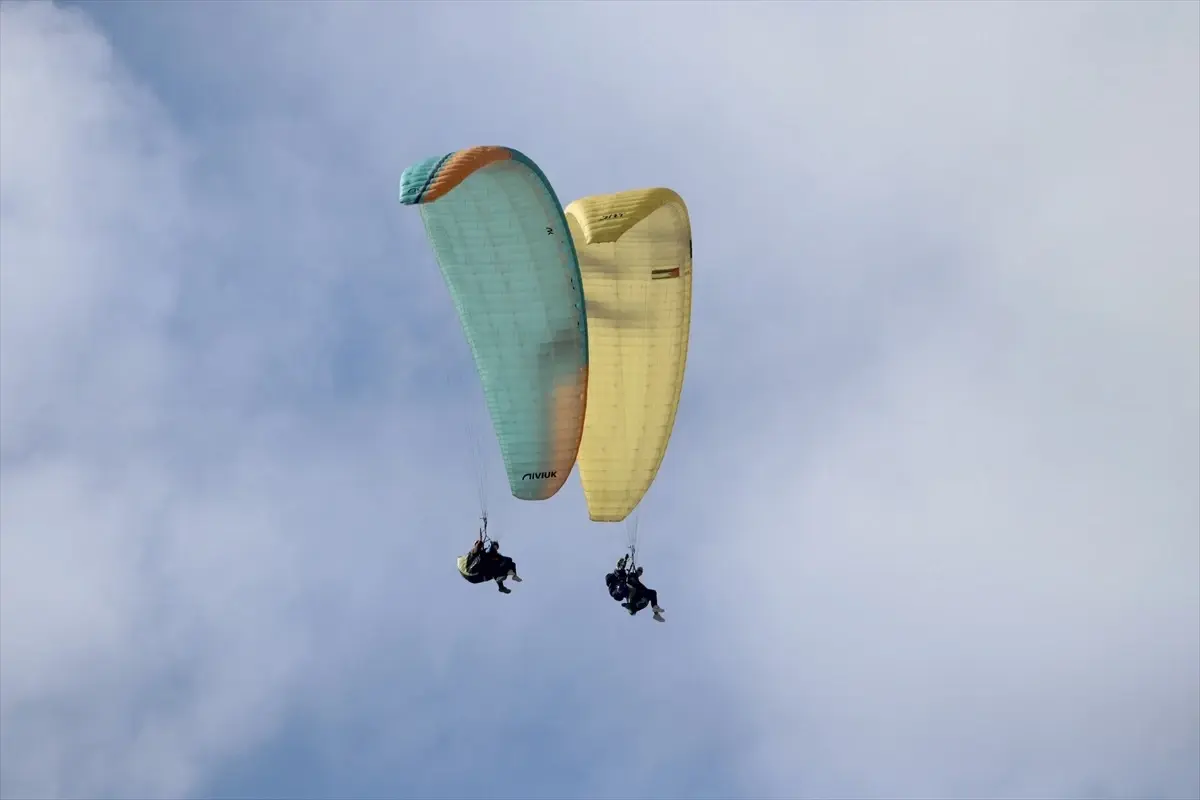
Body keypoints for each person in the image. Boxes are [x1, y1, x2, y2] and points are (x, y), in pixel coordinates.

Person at [457, 536, 522, 593]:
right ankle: (505, 577)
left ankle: (501, 586)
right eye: (496, 547)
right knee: (492, 561)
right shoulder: (476, 554)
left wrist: (513, 572)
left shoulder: (490, 557)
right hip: (470, 571)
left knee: (497, 566)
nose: (496, 549)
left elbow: (506, 560)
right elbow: (477, 550)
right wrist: (479, 543)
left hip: (475, 577)